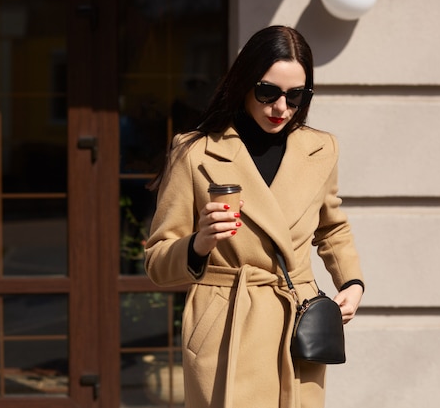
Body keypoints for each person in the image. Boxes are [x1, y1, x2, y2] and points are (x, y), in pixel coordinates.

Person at [145, 25, 364, 408]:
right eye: (268, 93)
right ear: (245, 83)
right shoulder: (195, 153)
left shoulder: (320, 149)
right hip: (226, 321)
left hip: (295, 317)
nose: (281, 108)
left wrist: (352, 282)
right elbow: (157, 262)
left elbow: (331, 226)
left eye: (296, 96)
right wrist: (199, 243)